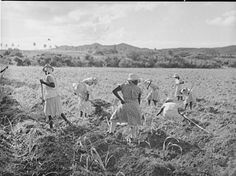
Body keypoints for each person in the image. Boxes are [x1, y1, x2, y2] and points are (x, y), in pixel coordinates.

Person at [108, 73, 142, 141]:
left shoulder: (123, 85)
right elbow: (139, 99)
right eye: (136, 81)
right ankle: (133, 137)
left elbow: (114, 91)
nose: (137, 82)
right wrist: (138, 107)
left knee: (114, 118)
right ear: (134, 81)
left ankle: (111, 132)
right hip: (135, 106)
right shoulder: (138, 89)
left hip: (125, 104)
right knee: (133, 122)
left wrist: (121, 100)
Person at [40, 64, 72, 129]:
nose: (45, 72)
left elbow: (52, 85)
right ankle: (67, 122)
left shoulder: (48, 76)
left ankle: (51, 127)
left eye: (45, 71)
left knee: (49, 112)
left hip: (51, 97)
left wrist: (43, 82)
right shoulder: (52, 76)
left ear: (47, 70)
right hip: (54, 95)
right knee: (58, 110)